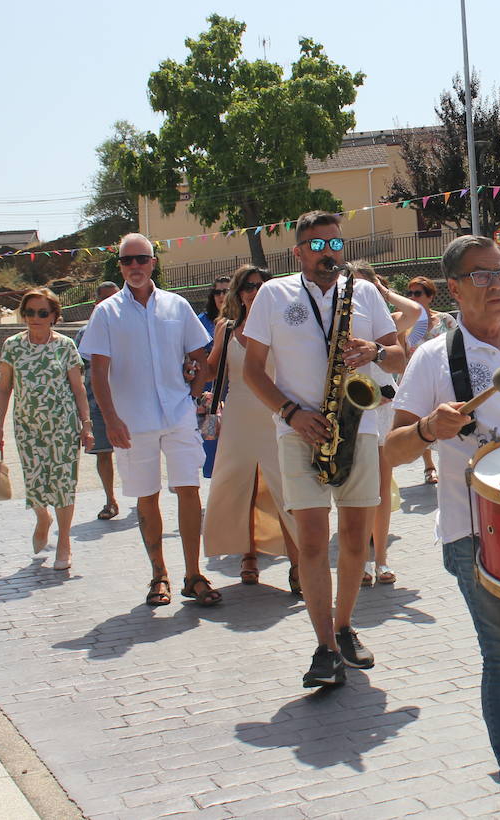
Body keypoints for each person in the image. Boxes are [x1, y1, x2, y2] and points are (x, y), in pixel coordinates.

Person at [387, 235, 500, 820]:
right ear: (454, 288)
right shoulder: (431, 359)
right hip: (473, 529)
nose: (498, 285)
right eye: (483, 276)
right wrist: (427, 431)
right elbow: (389, 451)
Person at [242, 211, 404, 687]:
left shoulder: (364, 292)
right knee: (312, 541)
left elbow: (400, 356)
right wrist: (291, 413)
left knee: (355, 539)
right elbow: (252, 371)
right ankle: (325, 647)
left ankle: (345, 625)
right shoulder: (274, 294)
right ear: (298, 252)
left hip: (359, 426)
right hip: (300, 429)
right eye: (316, 245)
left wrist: (375, 352)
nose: (327, 252)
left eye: (334, 243)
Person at [81, 234, 217, 607]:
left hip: (177, 414)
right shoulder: (106, 313)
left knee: (188, 489)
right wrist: (110, 420)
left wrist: (193, 394)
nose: (135, 266)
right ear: (120, 266)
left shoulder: (176, 306)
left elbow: (200, 356)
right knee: (147, 496)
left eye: (141, 258)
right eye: (127, 261)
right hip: (132, 421)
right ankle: (159, 575)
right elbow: (98, 373)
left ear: (153, 262)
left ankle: (194, 575)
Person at [202, 265, 301, 589]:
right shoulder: (226, 327)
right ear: (238, 292)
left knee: (284, 488)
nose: (254, 291)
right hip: (239, 415)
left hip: (276, 412)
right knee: (239, 486)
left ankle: (298, 563)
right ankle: (248, 557)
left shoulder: (281, 324)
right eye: (247, 286)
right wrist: (193, 363)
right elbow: (212, 369)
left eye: (260, 285)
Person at [0, 288, 92, 570]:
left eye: (42, 312)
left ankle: (64, 543)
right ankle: (42, 518)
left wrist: (86, 424)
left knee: (63, 483)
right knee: (35, 481)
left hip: (63, 426)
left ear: (53, 316)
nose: (35, 317)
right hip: (28, 427)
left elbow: (78, 389)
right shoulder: (12, 346)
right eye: (29, 312)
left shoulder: (65, 346)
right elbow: (4, 389)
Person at [350, 265, 421, 587]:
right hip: (352, 406)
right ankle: (361, 560)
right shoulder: (340, 318)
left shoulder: (386, 320)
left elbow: (415, 312)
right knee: (357, 488)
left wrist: (382, 292)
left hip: (382, 405)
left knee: (380, 489)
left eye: (366, 286)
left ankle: (380, 559)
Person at [404, 275, 457, 486]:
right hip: (417, 378)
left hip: (444, 376)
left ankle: (449, 464)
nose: (412, 297)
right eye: (409, 293)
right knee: (422, 421)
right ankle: (429, 466)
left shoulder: (445, 320)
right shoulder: (406, 321)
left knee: (447, 420)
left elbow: (457, 343)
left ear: (430, 296)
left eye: (417, 293)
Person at [76, 281, 121, 520]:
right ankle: (110, 500)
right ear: (96, 303)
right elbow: (76, 372)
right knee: (104, 453)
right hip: (97, 404)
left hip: (130, 402)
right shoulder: (85, 334)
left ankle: (144, 499)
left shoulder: (130, 328)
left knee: (139, 452)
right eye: (106, 298)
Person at [196, 275, 232, 478]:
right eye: (217, 292)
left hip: (235, 390)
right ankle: (214, 485)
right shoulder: (201, 322)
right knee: (210, 438)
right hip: (210, 395)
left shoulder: (245, 321)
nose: (221, 296)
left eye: (226, 291)